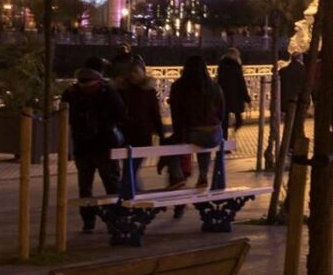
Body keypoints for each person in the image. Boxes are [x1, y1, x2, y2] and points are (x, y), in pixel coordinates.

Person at [60, 57, 128, 232]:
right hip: (105, 145)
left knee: (85, 186)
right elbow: (121, 114)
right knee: (112, 184)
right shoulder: (106, 90)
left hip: (82, 145)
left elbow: (64, 116)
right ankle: (116, 220)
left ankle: (88, 223)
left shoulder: (71, 92)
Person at [168, 54, 226, 188]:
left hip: (194, 131)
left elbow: (177, 116)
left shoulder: (179, 87)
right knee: (204, 144)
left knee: (169, 143)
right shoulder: (214, 86)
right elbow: (221, 111)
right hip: (215, 133)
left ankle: (177, 175)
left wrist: (179, 134)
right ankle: (203, 176)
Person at [112, 59, 164, 189]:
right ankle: (133, 195)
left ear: (143, 73)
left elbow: (155, 114)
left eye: (135, 71)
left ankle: (132, 196)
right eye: (130, 72)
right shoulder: (121, 91)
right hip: (125, 135)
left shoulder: (148, 92)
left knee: (131, 168)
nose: (132, 75)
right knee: (129, 168)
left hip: (142, 135)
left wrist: (161, 133)